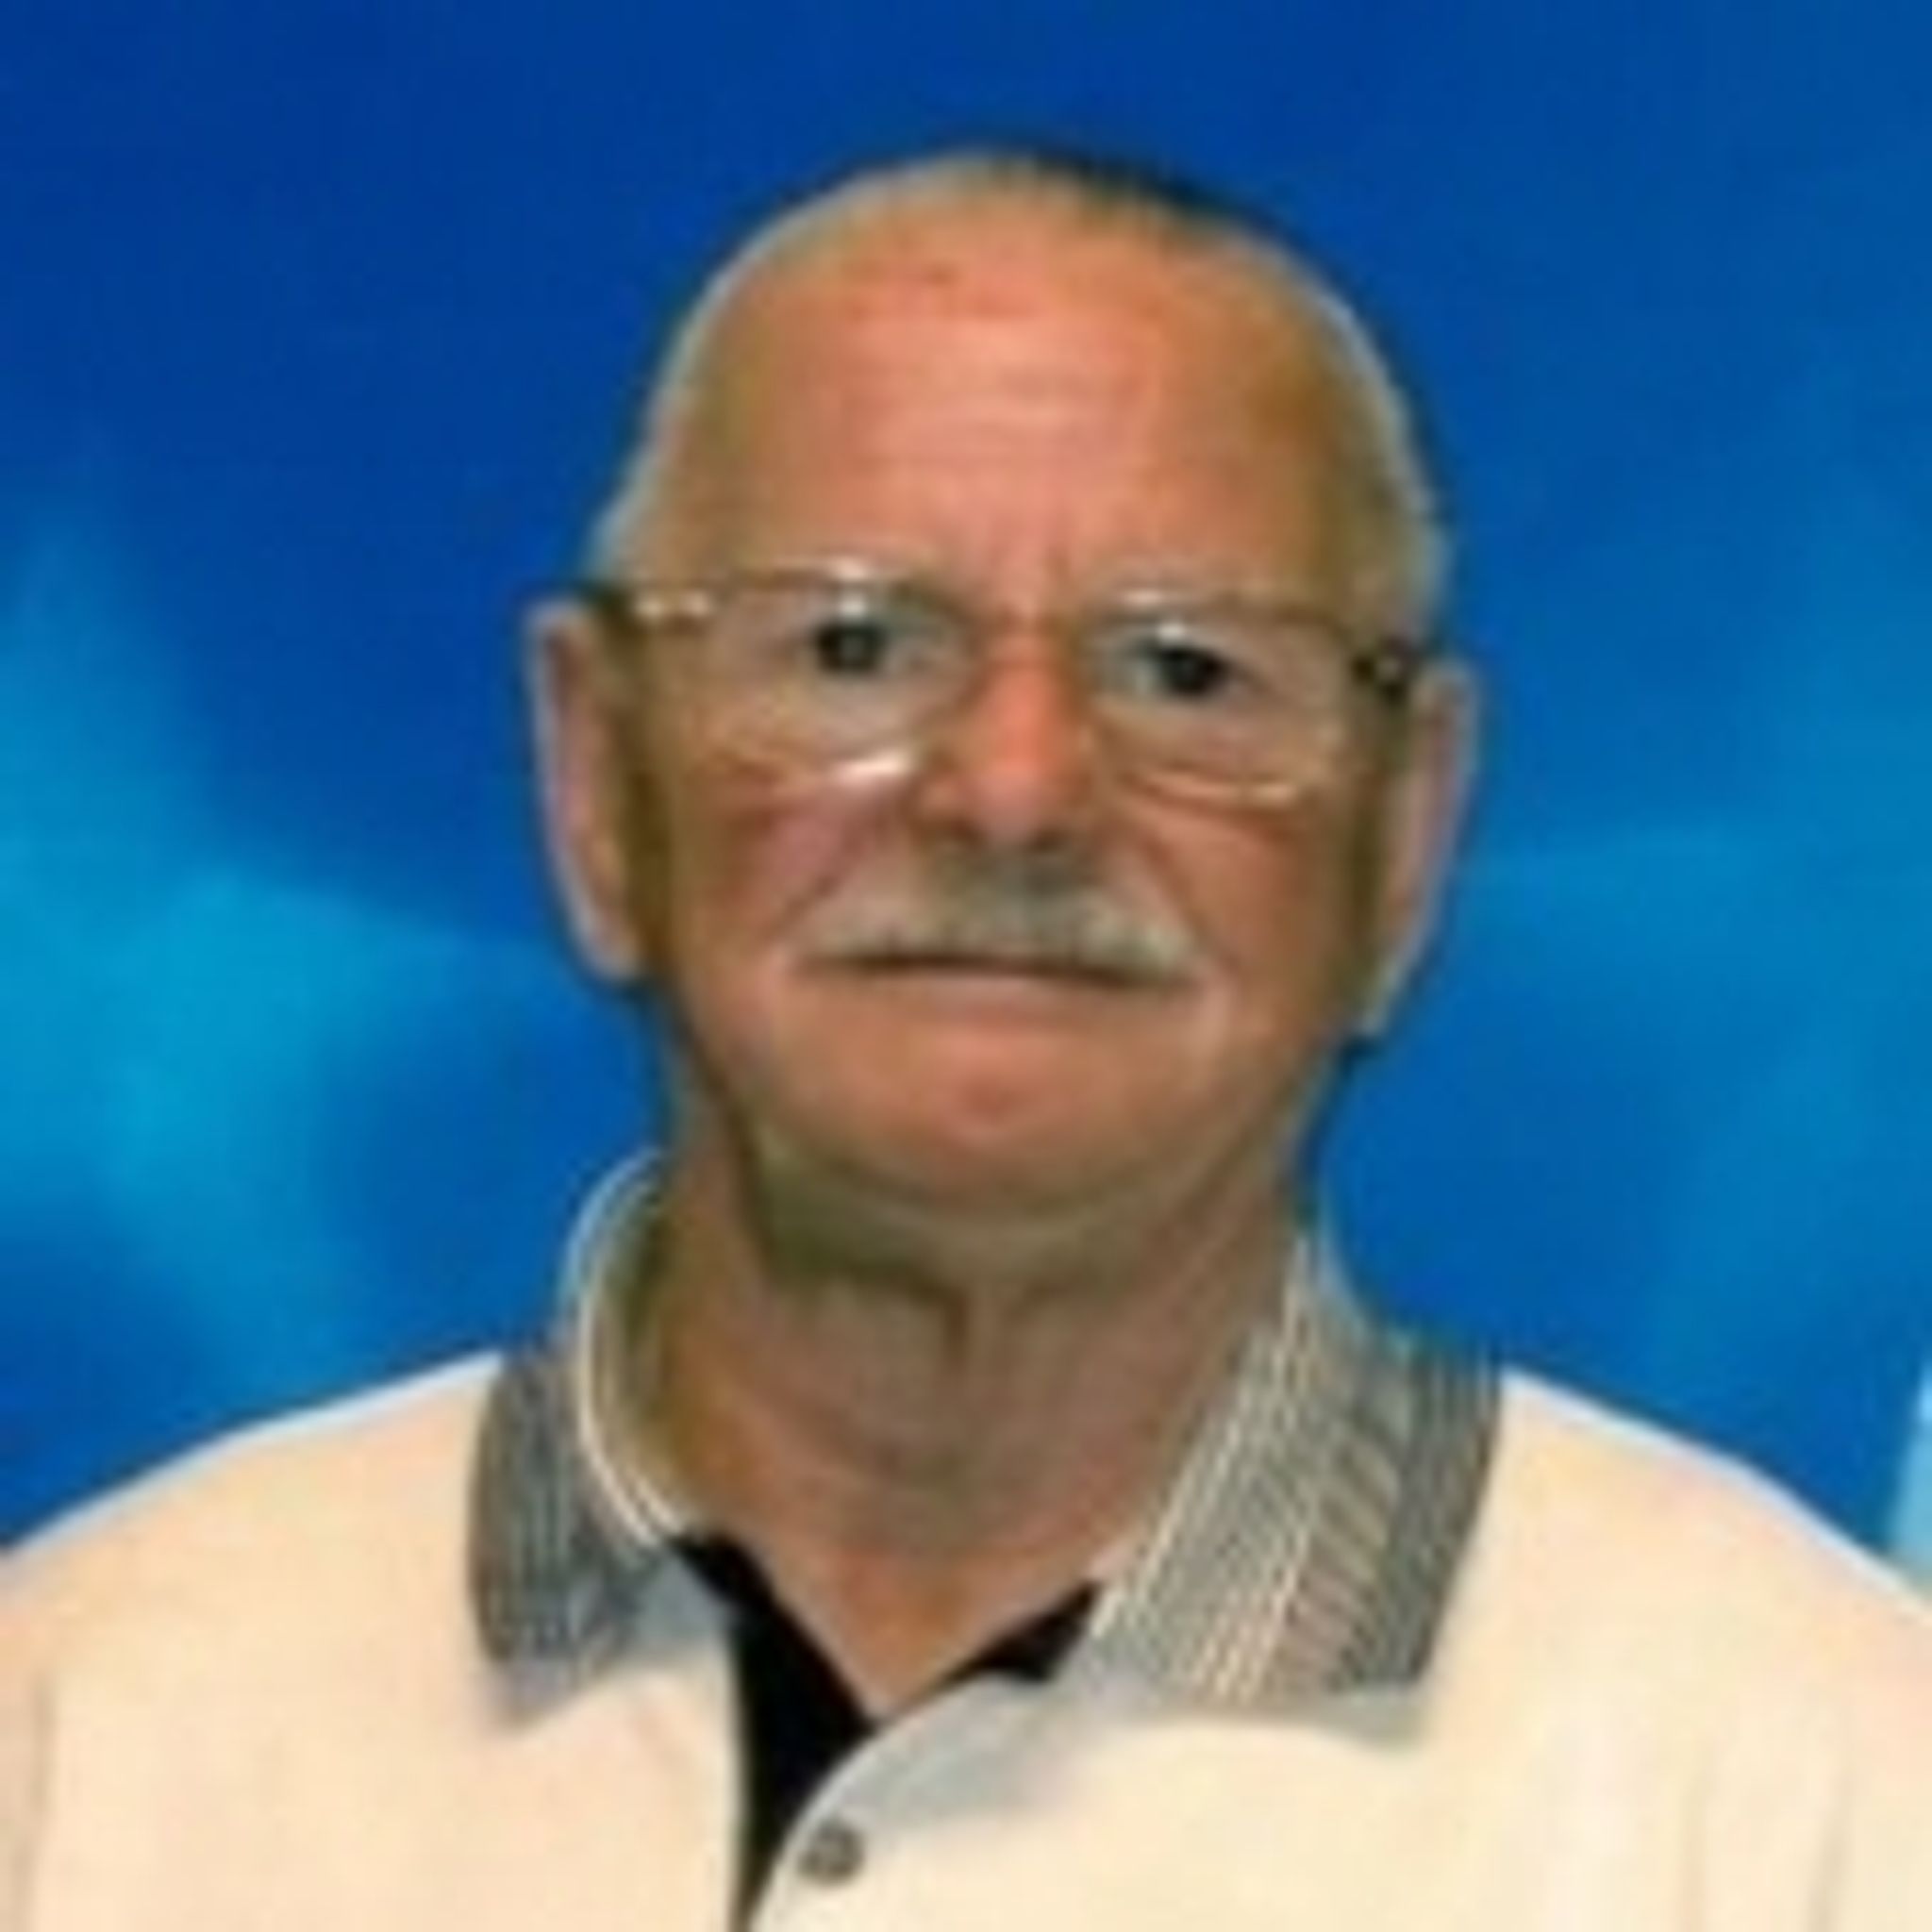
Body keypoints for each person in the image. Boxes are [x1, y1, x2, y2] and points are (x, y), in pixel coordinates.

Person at [3, 146, 1927, 1931]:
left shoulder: (1824, 1792)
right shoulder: (75, 1730)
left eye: (1187, 669)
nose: (1013, 792)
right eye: (851, 645)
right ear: (594, 781)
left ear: (1407, 835)